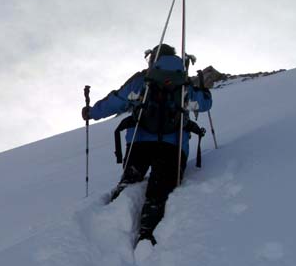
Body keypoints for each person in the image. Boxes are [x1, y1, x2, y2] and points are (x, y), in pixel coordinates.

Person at [82, 44, 212, 248]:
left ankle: (108, 227)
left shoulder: (143, 80)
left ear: (153, 59)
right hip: (173, 145)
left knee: (129, 181)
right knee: (159, 192)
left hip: (139, 142)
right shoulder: (183, 82)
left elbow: (116, 100)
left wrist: (91, 113)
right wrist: (204, 91)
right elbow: (204, 105)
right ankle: (146, 234)